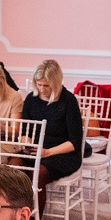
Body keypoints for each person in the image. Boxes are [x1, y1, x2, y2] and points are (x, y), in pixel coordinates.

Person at [19, 59, 86, 210]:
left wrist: (48, 152)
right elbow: (25, 131)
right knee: (14, 167)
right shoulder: (31, 99)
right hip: (37, 151)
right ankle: (16, 215)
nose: (41, 89)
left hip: (62, 154)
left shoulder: (68, 101)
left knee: (39, 174)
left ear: (56, 83)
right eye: (39, 84)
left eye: (46, 85)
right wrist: (26, 144)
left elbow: (75, 142)